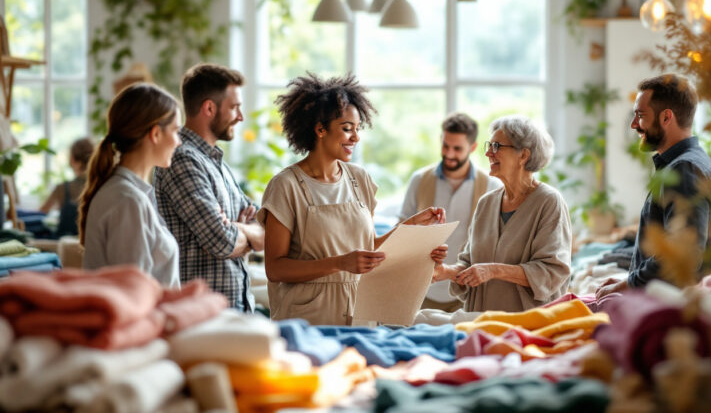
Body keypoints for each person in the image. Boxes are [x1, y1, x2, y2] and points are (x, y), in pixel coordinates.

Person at [257, 73, 447, 325]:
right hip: (307, 319)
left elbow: (367, 249)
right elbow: (276, 268)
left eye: (358, 129)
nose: (356, 137)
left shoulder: (360, 180)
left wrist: (411, 228)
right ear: (320, 129)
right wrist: (339, 263)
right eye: (347, 129)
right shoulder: (285, 186)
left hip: (361, 311)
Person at [596, 74, 711, 299]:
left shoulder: (684, 170)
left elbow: (681, 256)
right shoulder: (690, 163)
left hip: (672, 310)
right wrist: (628, 281)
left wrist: (627, 285)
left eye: (640, 115)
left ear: (666, 117)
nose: (633, 124)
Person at [153, 64, 264, 312]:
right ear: (209, 108)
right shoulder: (181, 160)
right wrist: (244, 234)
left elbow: (265, 225)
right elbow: (221, 242)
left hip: (235, 309)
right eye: (234, 107)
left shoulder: (216, 163)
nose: (240, 116)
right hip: (202, 313)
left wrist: (237, 227)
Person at [432, 116, 572, 312]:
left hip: (527, 325)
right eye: (490, 145)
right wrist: (444, 271)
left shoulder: (549, 202)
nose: (488, 152)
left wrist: (493, 270)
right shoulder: (486, 203)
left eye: (497, 146)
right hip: (481, 321)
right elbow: (469, 264)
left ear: (523, 156)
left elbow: (551, 272)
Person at [79, 83, 181, 287]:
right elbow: (134, 293)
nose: (179, 141)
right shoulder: (128, 201)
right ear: (155, 134)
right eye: (176, 130)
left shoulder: (132, 194)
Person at [399, 113, 502, 310]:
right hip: (422, 289)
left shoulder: (492, 185)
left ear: (472, 147)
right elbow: (402, 231)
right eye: (445, 146)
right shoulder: (419, 180)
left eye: (457, 148)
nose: (449, 154)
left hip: (470, 292)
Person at [39, 137, 93, 237]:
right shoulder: (99, 187)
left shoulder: (63, 188)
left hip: (65, 245)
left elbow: (42, 212)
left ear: (72, 159)